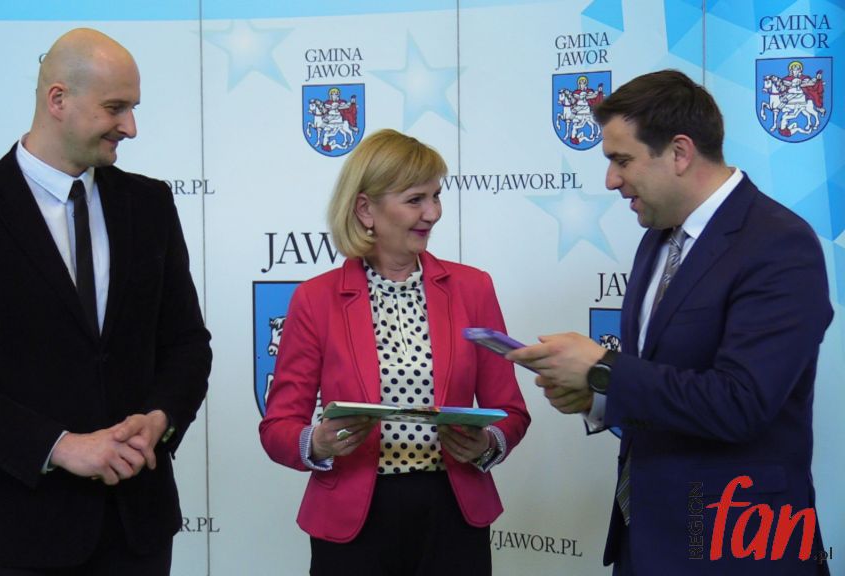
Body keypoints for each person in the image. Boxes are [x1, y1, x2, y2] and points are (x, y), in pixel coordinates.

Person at [0, 28, 211, 575]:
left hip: (136, 526)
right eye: (115, 108)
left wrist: (159, 420)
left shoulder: (150, 205)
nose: (131, 127)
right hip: (13, 529)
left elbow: (186, 344)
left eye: (133, 108)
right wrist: (60, 446)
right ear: (58, 99)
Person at [507, 70, 832, 575]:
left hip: (737, 545)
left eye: (622, 160)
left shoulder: (779, 244)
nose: (610, 180)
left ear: (680, 153)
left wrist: (604, 369)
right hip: (646, 538)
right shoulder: (658, 236)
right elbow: (665, 380)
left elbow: (741, 403)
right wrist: (597, 395)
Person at [259, 128, 531, 575]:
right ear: (365, 209)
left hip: (453, 514)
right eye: (415, 199)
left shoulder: (473, 288)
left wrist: (487, 443)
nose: (433, 213)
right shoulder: (315, 299)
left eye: (436, 196)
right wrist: (317, 442)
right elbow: (277, 427)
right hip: (353, 521)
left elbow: (512, 412)